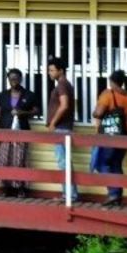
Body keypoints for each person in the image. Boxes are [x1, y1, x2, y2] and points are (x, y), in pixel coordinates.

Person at [0, 68, 39, 198]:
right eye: (11, 78)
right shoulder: (3, 95)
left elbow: (36, 111)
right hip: (5, 131)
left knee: (19, 159)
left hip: (21, 131)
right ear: (8, 79)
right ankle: (5, 188)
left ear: (20, 79)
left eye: (16, 78)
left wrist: (23, 112)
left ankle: (20, 188)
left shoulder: (29, 95)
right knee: (4, 159)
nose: (14, 81)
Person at [93, 70, 127, 206]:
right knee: (115, 163)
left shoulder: (108, 94)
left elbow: (98, 113)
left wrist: (95, 111)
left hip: (112, 135)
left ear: (113, 82)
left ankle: (114, 193)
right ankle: (118, 195)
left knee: (101, 163)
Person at [45, 55, 78, 201]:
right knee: (65, 161)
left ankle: (69, 195)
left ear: (61, 71)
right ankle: (70, 194)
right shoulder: (64, 84)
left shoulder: (62, 85)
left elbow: (64, 106)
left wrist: (52, 123)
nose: (49, 73)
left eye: (52, 70)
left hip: (61, 128)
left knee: (63, 162)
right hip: (63, 128)